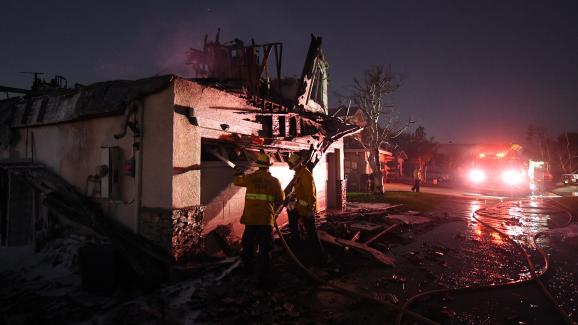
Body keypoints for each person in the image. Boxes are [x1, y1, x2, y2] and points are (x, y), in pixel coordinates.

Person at [233, 152, 284, 286]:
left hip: (250, 219)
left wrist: (238, 173)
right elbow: (281, 199)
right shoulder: (274, 181)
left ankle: (247, 271)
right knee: (265, 249)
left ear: (258, 166)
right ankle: (263, 277)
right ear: (268, 166)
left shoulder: (250, 178)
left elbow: (237, 181)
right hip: (266, 220)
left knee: (248, 247)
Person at [286, 153, 324, 257]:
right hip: (299, 207)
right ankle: (298, 251)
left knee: (311, 233)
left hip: (306, 209)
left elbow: (310, 195)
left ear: (297, 164)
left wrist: (308, 210)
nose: (292, 168)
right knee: (294, 230)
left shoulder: (305, 174)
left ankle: (319, 256)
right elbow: (297, 191)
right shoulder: (298, 174)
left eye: (292, 166)